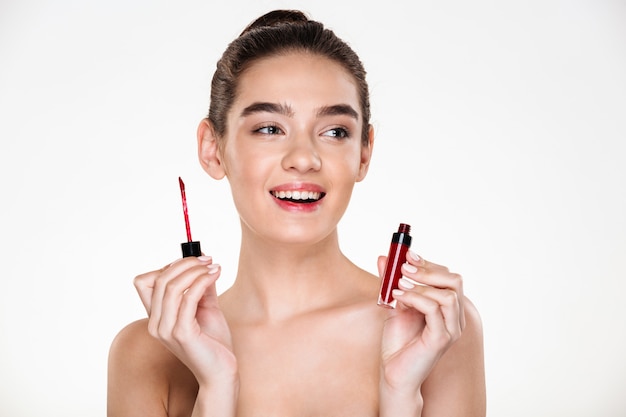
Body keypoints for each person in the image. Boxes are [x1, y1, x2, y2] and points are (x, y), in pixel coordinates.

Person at [107, 9, 486, 417]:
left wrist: (400, 394)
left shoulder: (437, 330)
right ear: (212, 148)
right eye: (269, 128)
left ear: (364, 153)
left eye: (334, 131)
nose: (304, 159)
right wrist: (216, 388)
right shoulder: (148, 355)